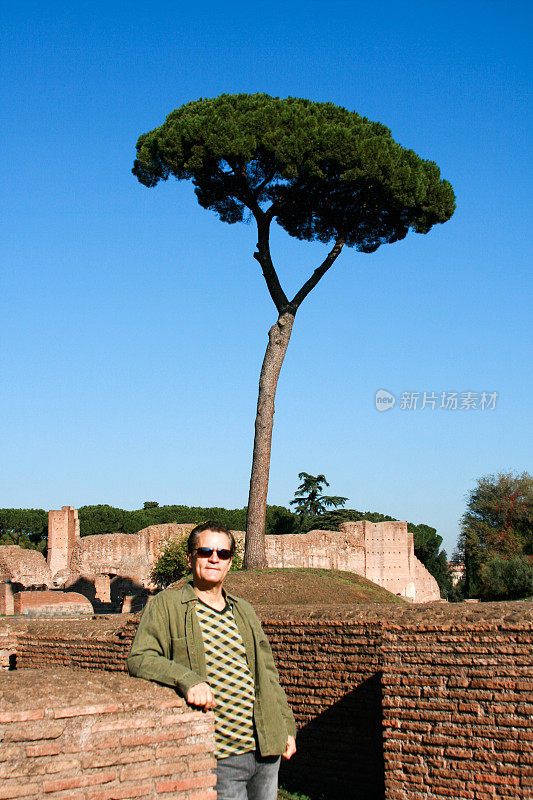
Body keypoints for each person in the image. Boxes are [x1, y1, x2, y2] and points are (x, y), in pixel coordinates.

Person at [128, 521, 296, 800]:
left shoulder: (244, 611)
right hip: (219, 755)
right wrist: (187, 680)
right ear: (190, 558)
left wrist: (286, 728)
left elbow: (268, 675)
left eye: (223, 553)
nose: (214, 558)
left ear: (230, 563)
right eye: (205, 551)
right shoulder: (166, 605)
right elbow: (140, 658)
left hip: (266, 749)